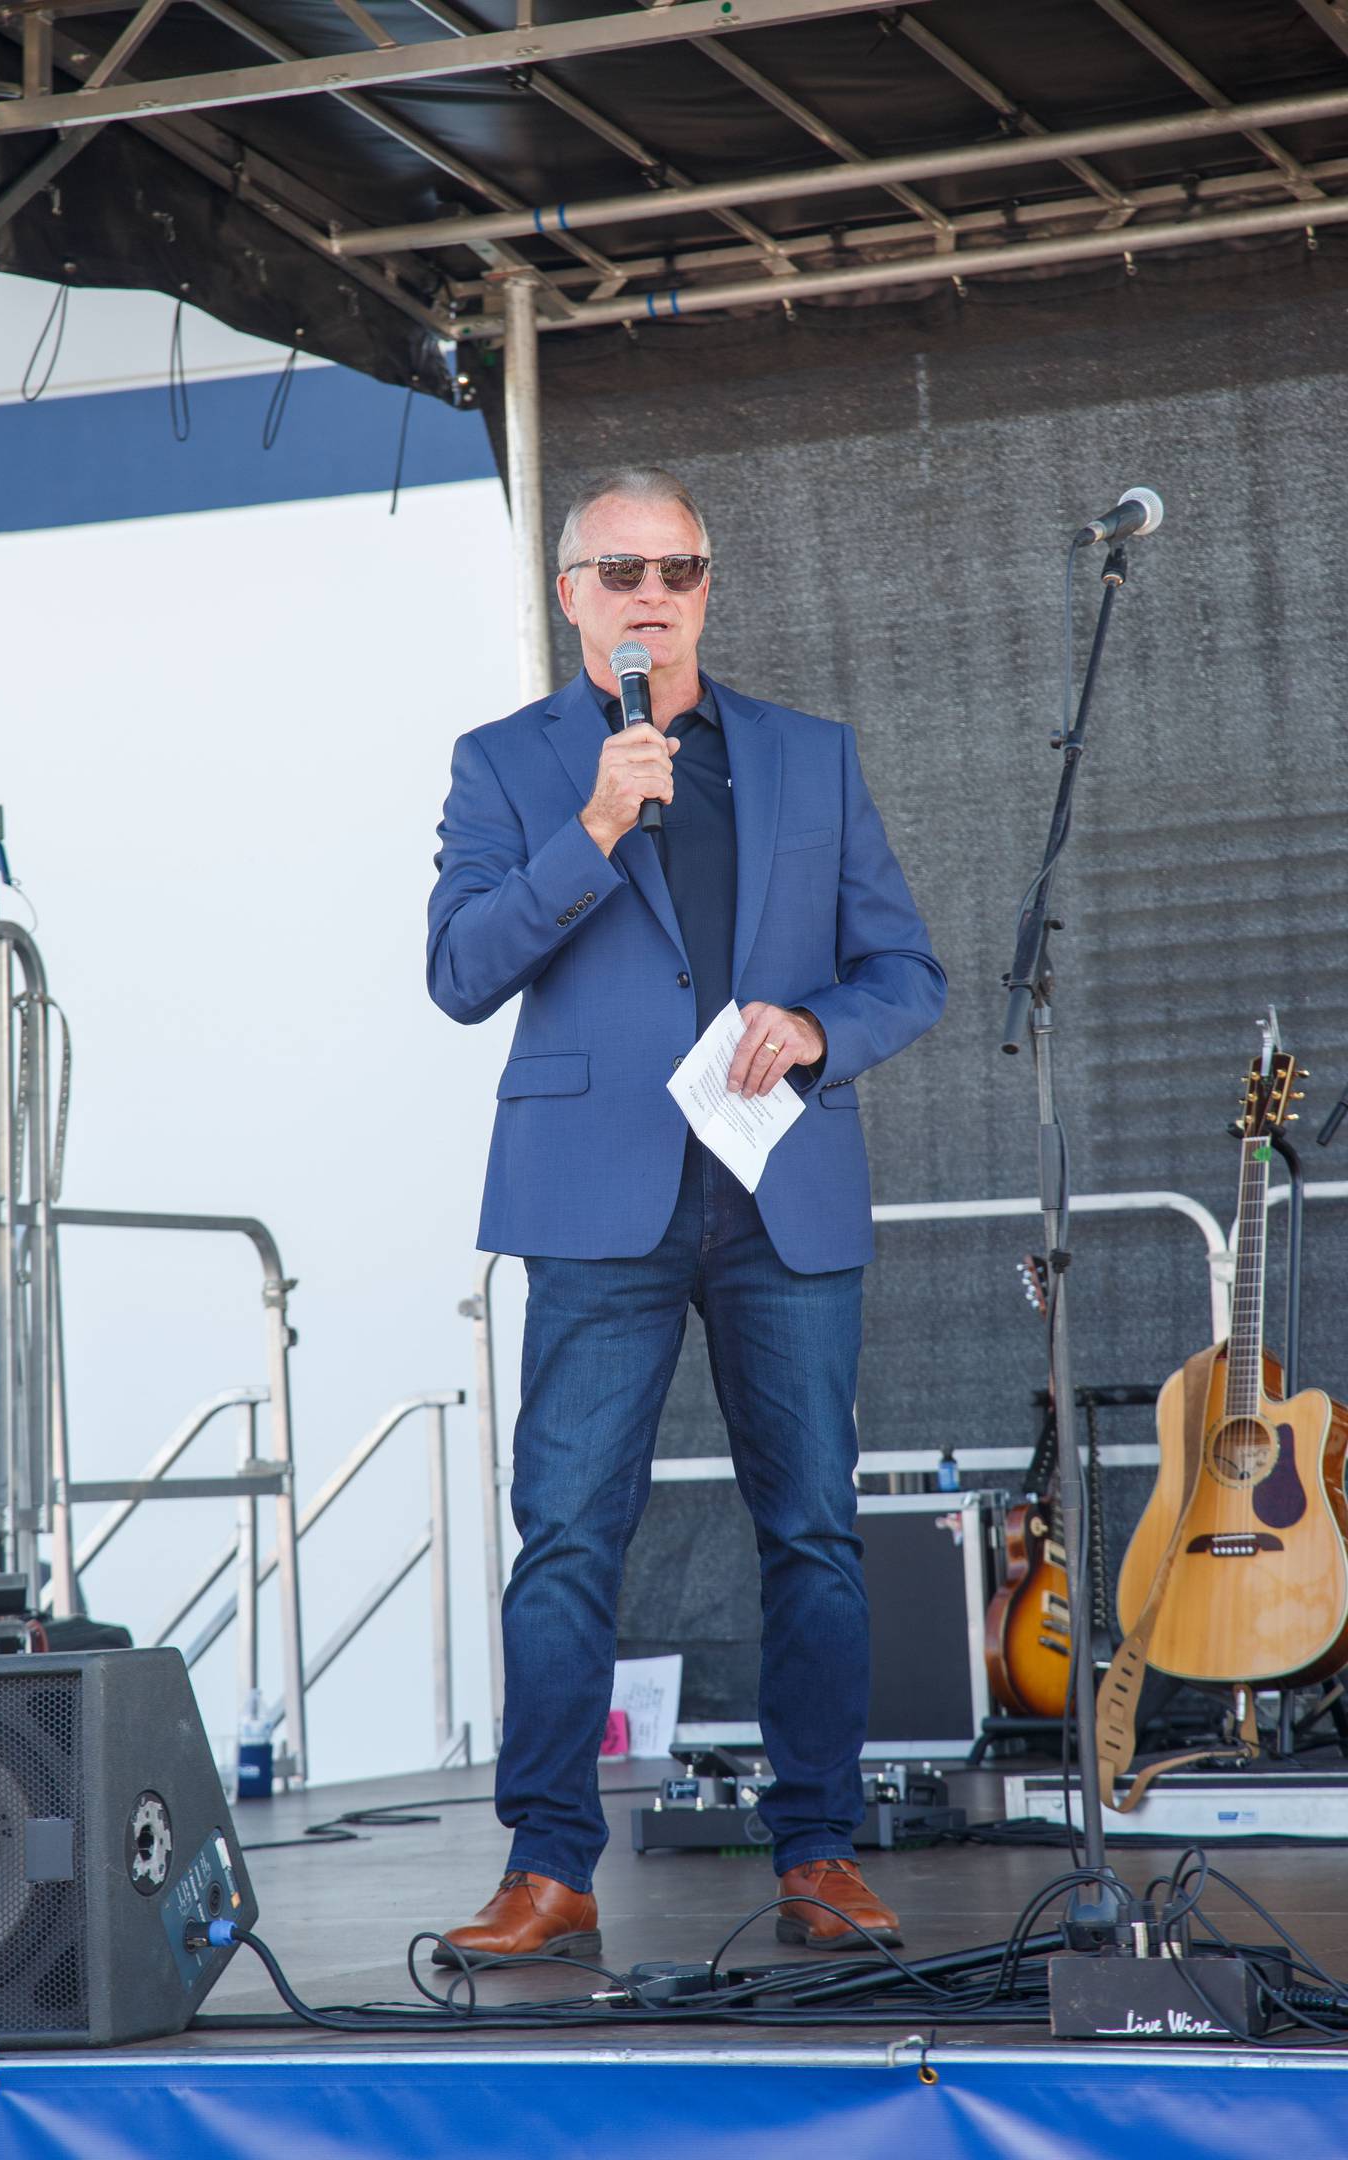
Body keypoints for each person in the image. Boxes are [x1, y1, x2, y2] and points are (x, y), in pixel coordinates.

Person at [426, 466, 946, 1965]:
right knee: (571, 1538)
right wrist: (591, 827)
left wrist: (818, 1028)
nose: (651, 592)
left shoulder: (810, 756)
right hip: (597, 1199)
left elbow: (905, 968)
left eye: (679, 567)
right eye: (620, 570)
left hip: (775, 1184)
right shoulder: (507, 764)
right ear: (572, 595)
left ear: (707, 588)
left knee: (816, 1536)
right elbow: (461, 973)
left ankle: (821, 1849)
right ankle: (550, 1865)